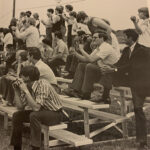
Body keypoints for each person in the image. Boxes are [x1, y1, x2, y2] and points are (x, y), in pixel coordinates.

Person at [101, 29, 150, 149]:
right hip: (132, 81)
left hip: (143, 84)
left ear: (131, 38)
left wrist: (115, 70)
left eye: (125, 37)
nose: (122, 39)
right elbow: (120, 63)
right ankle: (105, 95)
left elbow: (131, 66)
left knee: (138, 109)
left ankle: (142, 142)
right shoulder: (127, 50)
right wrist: (111, 67)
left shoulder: (142, 50)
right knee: (138, 109)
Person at [10, 65, 66, 150]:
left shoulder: (43, 84)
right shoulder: (27, 85)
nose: (19, 79)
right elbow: (20, 107)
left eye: (21, 76)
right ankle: (16, 147)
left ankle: (35, 147)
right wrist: (16, 91)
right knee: (17, 115)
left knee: (34, 115)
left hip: (55, 113)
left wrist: (25, 91)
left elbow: (36, 108)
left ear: (27, 77)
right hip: (41, 112)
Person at [64, 31, 118, 101]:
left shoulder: (106, 47)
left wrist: (81, 49)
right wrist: (75, 53)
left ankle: (86, 93)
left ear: (102, 38)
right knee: (81, 65)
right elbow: (86, 59)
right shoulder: (99, 48)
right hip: (103, 70)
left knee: (90, 66)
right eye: (92, 37)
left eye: (95, 37)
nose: (93, 39)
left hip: (110, 73)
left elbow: (91, 60)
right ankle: (75, 90)